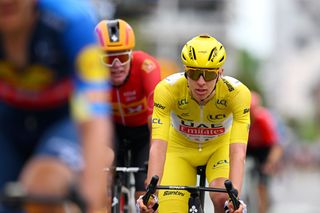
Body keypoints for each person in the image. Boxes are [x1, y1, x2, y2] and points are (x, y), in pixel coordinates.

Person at [0, 0, 113, 212]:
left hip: (62, 118)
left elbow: (95, 117)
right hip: (6, 119)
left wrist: (94, 199)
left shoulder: (73, 19)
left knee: (43, 186)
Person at [137, 34, 249, 213]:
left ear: (220, 72)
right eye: (194, 73)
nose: (201, 82)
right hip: (180, 149)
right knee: (170, 208)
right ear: (185, 71)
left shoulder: (237, 93)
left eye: (209, 74)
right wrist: (151, 194)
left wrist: (234, 199)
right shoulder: (167, 89)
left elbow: (238, 151)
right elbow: (158, 146)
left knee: (223, 198)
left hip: (218, 149)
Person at [95, 19, 162, 198]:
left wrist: (155, 163)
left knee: (144, 194)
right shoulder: (92, 73)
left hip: (143, 134)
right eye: (109, 58)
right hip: (112, 130)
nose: (116, 65)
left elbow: (155, 118)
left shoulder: (147, 66)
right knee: (101, 183)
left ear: (132, 54)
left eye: (123, 57)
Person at [246, 91, 283, 213]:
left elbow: (276, 146)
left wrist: (270, 163)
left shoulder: (264, 119)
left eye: (252, 112)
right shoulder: (241, 119)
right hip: (249, 146)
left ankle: (263, 206)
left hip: (264, 148)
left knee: (263, 178)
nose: (250, 116)